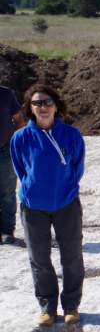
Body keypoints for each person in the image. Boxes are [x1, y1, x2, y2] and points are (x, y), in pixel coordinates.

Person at [10, 84, 85, 326]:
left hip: (66, 204)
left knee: (72, 257)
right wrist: (35, 188)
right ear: (29, 108)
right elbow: (21, 170)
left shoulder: (71, 134)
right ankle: (47, 307)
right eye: (37, 103)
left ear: (56, 105)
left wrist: (65, 188)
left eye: (47, 102)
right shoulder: (20, 138)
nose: (43, 107)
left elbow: (77, 167)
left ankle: (71, 305)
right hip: (34, 208)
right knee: (39, 259)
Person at [0, 84, 23, 244]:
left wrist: (15, 143)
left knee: (7, 193)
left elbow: (18, 119)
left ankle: (8, 230)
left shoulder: (6, 93)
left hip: (5, 152)